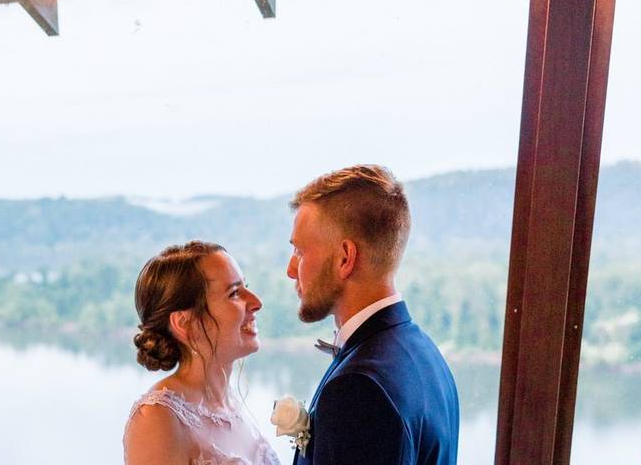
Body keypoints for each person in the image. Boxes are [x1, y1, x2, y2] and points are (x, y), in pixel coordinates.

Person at [286, 165, 459, 465]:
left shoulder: (358, 390)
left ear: (345, 258)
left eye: (300, 252)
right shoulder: (425, 353)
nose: (291, 269)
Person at [124, 241, 281, 465]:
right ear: (185, 323)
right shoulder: (159, 417)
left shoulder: (234, 406)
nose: (256, 302)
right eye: (235, 293)